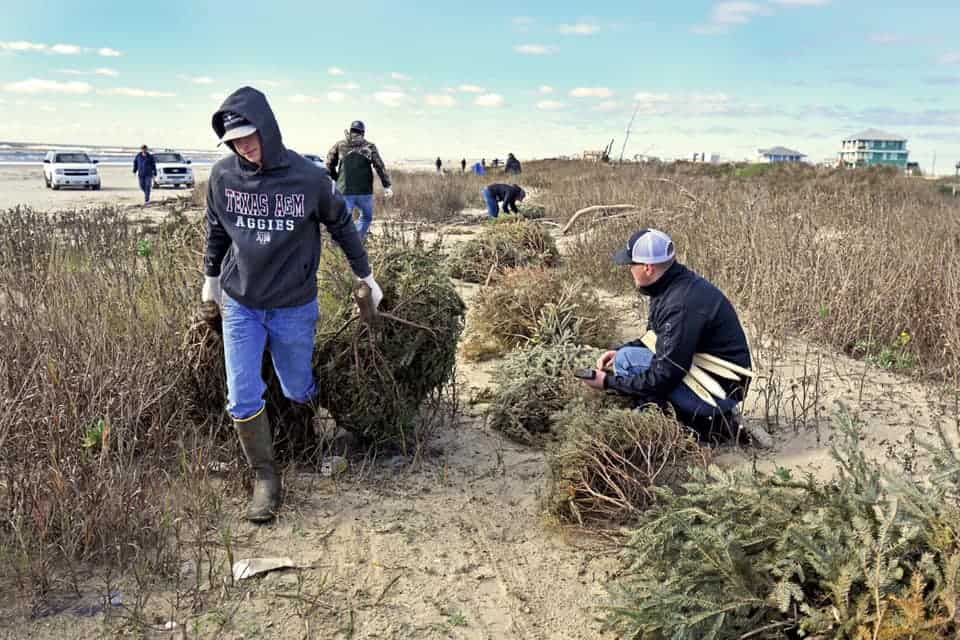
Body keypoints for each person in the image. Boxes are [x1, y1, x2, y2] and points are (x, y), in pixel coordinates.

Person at [202, 86, 383, 523]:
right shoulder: (224, 177)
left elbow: (341, 225)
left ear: (268, 127)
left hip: (293, 305)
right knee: (241, 396)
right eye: (234, 141)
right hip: (241, 302)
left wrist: (367, 276)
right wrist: (210, 283)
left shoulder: (309, 178)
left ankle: (308, 429)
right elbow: (216, 230)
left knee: (295, 386)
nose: (244, 147)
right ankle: (266, 478)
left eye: (249, 136)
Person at [581, 228, 752, 435]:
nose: (628, 270)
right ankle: (691, 418)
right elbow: (655, 338)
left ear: (647, 267)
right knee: (625, 354)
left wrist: (607, 382)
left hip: (719, 392)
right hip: (716, 379)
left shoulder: (679, 305)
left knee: (626, 361)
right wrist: (621, 348)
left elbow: (664, 375)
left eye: (631, 264)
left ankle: (677, 427)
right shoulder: (672, 284)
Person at [326, 120, 393, 239]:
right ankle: (356, 239)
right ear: (363, 132)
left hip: (344, 190)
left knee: (342, 220)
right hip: (364, 192)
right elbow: (379, 166)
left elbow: (329, 163)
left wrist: (335, 178)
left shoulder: (340, 145)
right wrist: (387, 186)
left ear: (350, 130)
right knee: (366, 217)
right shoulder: (369, 147)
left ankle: (341, 244)